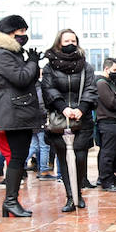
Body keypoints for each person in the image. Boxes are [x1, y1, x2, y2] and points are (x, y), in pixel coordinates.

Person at [0, 14, 42, 218]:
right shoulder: (2, 54)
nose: (24, 35)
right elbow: (21, 78)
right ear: (10, 33)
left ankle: (10, 202)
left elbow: (28, 79)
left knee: (19, 157)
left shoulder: (11, 53)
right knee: (17, 158)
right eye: (21, 32)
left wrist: (31, 63)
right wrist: (32, 63)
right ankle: (10, 201)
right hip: (14, 112)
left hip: (19, 110)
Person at [41, 28, 97, 213]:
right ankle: (70, 197)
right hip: (59, 118)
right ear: (59, 43)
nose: (70, 44)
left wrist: (81, 108)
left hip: (83, 118)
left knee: (80, 157)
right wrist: (63, 107)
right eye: (66, 41)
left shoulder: (86, 66)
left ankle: (78, 192)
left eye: (73, 41)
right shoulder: (49, 67)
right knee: (63, 158)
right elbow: (48, 89)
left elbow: (91, 88)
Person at [95, 57, 116, 191]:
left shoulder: (111, 83)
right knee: (108, 153)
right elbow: (112, 103)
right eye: (114, 70)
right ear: (106, 69)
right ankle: (106, 181)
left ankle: (112, 178)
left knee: (114, 154)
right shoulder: (101, 84)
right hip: (108, 123)